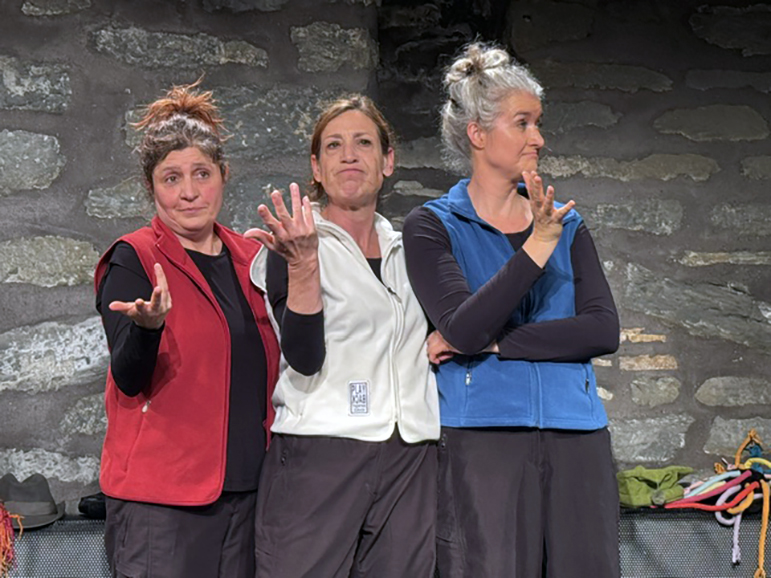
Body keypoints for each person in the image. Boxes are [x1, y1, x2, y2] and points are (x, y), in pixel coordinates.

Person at [402, 42, 621, 577]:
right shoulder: (432, 226)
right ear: (478, 133)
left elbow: (601, 329)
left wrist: (499, 343)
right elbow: (463, 327)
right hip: (483, 438)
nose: (538, 138)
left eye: (538, 123)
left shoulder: (566, 223)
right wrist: (536, 248)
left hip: (578, 435)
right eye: (522, 123)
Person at [247, 95, 440, 578]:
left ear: (387, 161)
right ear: (316, 166)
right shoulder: (291, 245)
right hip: (321, 451)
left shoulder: (409, 251)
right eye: (333, 145)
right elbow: (304, 356)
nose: (349, 155)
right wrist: (304, 264)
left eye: (363, 143)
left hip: (408, 455)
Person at [94, 81, 280, 578]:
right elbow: (129, 377)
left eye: (202, 174)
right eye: (171, 178)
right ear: (151, 187)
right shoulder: (135, 257)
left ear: (223, 175)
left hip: (249, 496)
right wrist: (148, 328)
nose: (190, 192)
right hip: (163, 506)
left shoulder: (252, 258)